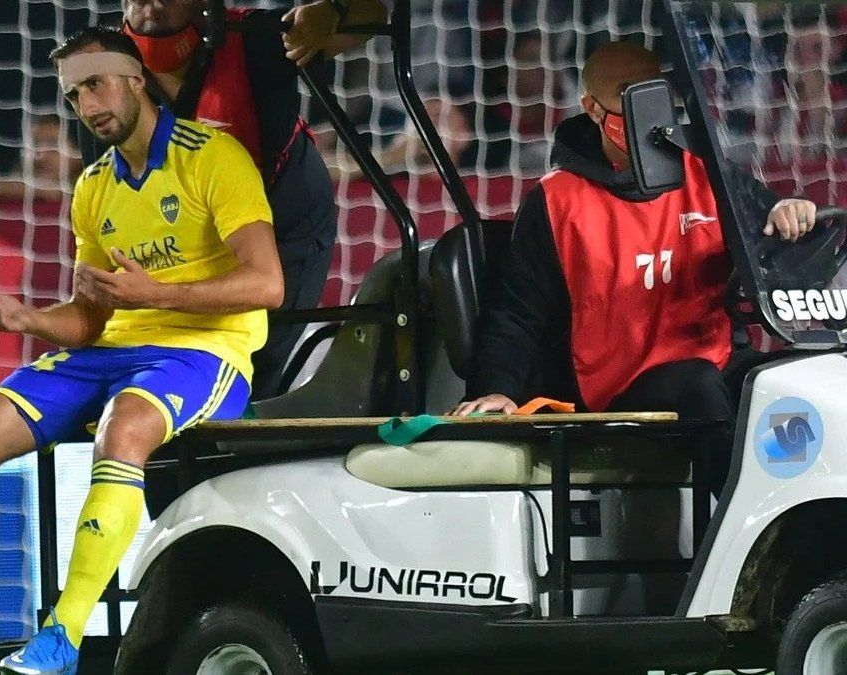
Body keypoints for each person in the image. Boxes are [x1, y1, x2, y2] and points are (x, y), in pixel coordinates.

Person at [0, 26, 283, 675]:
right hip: (111, 353)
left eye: (95, 85)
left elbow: (268, 284)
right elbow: (91, 319)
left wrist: (154, 292)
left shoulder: (213, 156)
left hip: (205, 352)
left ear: (135, 78)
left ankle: (62, 637)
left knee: (124, 426)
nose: (86, 105)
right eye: (73, 96)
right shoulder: (94, 186)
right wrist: (28, 319)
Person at [452, 42, 815, 467]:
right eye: (629, 94)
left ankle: (805, 503)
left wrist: (787, 212)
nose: (646, 110)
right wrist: (495, 389)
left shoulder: (707, 171)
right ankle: (742, 507)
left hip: (718, 358)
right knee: (697, 387)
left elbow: (771, 228)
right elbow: (517, 312)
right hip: (621, 384)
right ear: (592, 108)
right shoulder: (557, 200)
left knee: (798, 380)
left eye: (654, 90)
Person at [85, 0, 386, 399]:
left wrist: (330, 10)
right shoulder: (96, 69)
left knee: (248, 368)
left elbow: (373, 14)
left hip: (285, 220)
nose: (153, 5)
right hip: (183, 233)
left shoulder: (257, 38)